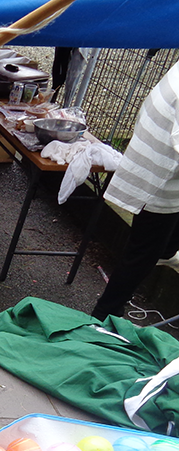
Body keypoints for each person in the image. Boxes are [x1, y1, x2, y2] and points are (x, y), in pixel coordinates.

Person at [91, 60, 179, 320]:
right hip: (161, 177)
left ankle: (166, 253)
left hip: (158, 164)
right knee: (144, 251)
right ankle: (103, 316)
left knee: (159, 245)